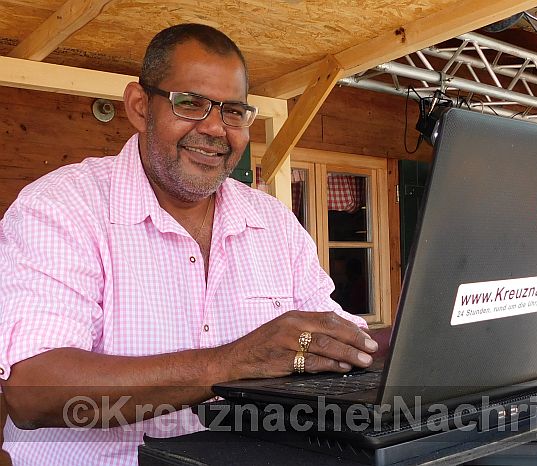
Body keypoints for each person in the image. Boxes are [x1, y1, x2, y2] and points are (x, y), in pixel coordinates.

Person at [0, 24, 383, 465]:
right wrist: (232, 363)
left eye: (234, 112)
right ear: (141, 107)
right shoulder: (62, 206)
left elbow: (331, 341)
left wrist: (416, 332)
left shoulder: (274, 222)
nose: (217, 129)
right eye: (191, 104)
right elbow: (32, 392)